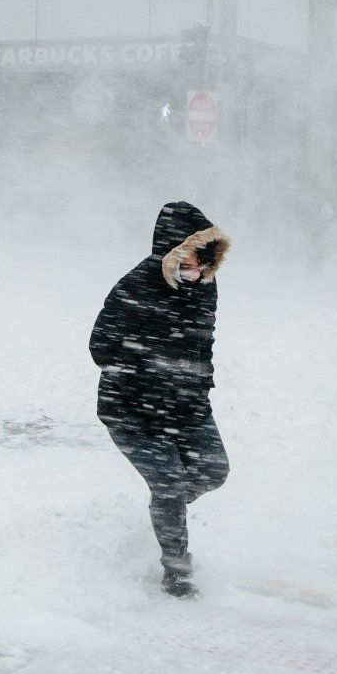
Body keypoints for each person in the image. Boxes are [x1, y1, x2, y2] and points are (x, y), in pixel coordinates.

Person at [90, 202, 232, 598]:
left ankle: (166, 510)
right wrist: (150, 370)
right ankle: (177, 568)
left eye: (204, 265)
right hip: (132, 410)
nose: (197, 273)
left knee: (213, 472)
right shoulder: (136, 286)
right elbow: (101, 346)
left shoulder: (204, 285)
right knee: (169, 483)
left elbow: (205, 341)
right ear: (169, 254)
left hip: (188, 406)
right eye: (188, 264)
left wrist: (199, 383)